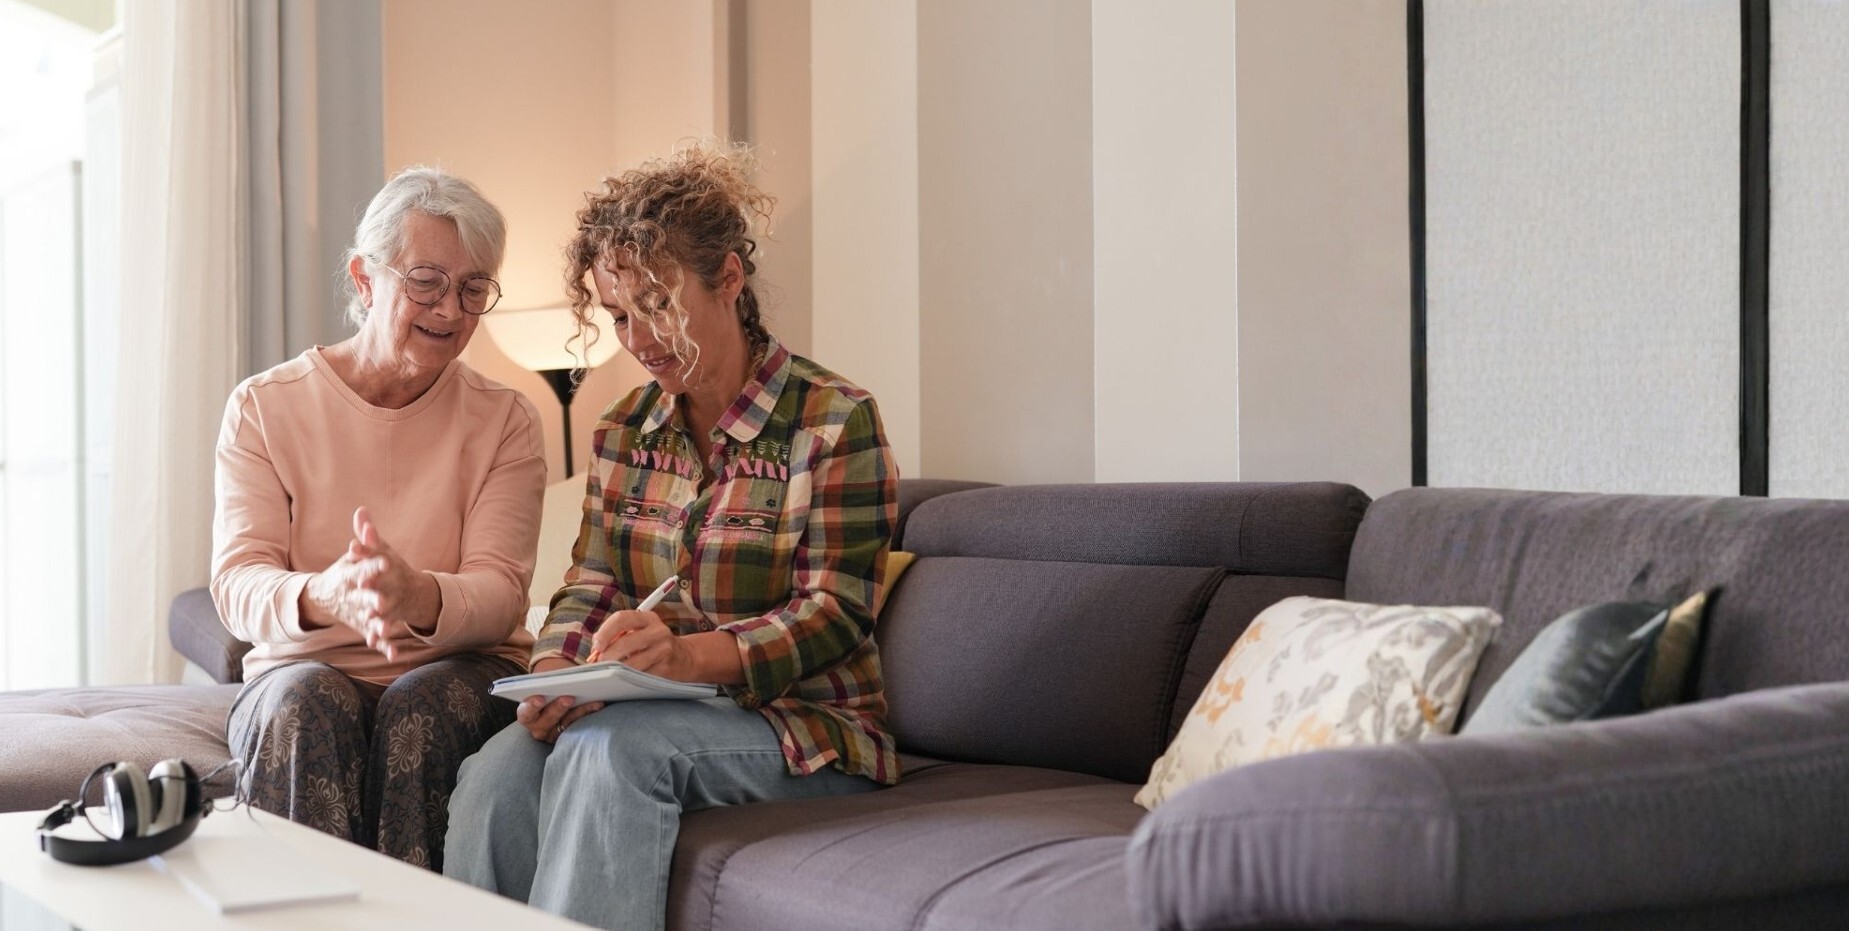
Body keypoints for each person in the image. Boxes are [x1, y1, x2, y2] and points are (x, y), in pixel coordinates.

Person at [444, 141, 899, 930]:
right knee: (497, 769)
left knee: (611, 753)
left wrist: (688, 656)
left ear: (728, 277)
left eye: (655, 303)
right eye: (618, 314)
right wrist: (557, 672)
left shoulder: (832, 421)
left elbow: (831, 613)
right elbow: (591, 582)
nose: (637, 336)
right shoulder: (624, 429)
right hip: (644, 709)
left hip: (804, 727)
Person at [211, 167, 546, 870]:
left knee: (419, 712)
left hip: (454, 668)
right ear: (365, 279)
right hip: (302, 668)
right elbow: (238, 584)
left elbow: (501, 592)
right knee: (305, 703)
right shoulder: (266, 407)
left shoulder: (506, 419)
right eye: (426, 280)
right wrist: (323, 594)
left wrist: (417, 593)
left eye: (473, 288)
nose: (449, 310)